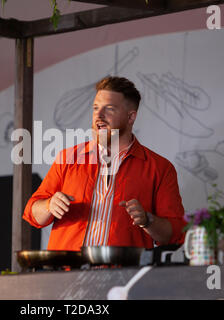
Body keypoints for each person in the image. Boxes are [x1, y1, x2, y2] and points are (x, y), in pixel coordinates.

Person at [23, 76, 186, 251]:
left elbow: (175, 234)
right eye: (95, 108)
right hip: (67, 273)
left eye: (109, 109)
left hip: (125, 275)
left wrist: (148, 220)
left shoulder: (160, 168)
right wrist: (49, 205)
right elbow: (32, 213)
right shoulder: (68, 157)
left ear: (131, 117)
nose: (98, 116)